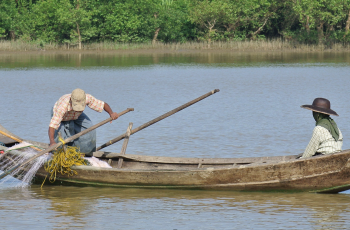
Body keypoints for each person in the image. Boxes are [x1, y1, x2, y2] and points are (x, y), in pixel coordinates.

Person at [49, 88, 119, 154]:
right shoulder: (62, 107)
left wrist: (111, 113)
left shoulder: (87, 98)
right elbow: (52, 126)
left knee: (90, 129)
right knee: (61, 138)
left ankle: (85, 151)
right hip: (64, 116)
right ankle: (59, 151)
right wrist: (52, 142)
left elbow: (103, 104)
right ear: (71, 101)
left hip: (77, 115)